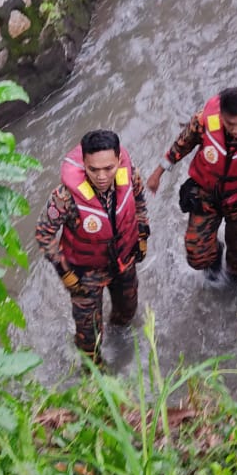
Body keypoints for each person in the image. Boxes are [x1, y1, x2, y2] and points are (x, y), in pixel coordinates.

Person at [147, 86, 237, 286]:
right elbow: (182, 144)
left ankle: (232, 289)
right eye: (230, 123)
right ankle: (214, 253)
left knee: (236, 266)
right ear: (221, 115)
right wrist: (158, 173)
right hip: (207, 194)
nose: (236, 130)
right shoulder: (204, 121)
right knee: (197, 256)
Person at [35, 129, 150, 363]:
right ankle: (94, 380)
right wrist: (64, 271)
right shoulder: (65, 197)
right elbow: (44, 233)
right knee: (88, 339)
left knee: (127, 314)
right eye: (93, 169)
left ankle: (123, 357)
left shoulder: (130, 176)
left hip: (123, 262)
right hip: (84, 275)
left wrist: (142, 234)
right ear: (83, 164)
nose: (101, 176)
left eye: (108, 168)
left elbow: (139, 201)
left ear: (119, 160)